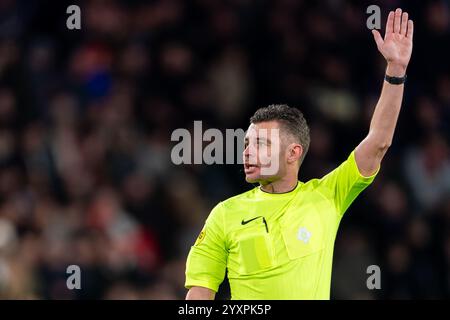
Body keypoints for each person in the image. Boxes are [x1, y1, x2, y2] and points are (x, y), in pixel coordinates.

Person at [185, 8, 414, 300]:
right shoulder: (224, 214)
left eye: (261, 144)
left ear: (293, 152)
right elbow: (198, 296)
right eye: (245, 144)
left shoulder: (327, 196)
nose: (247, 152)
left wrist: (395, 70)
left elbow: (379, 141)